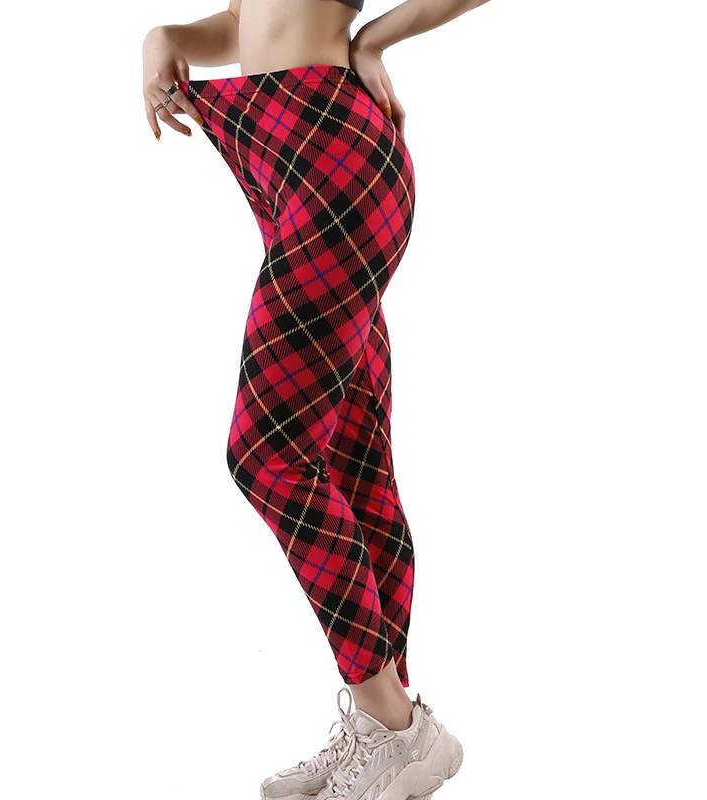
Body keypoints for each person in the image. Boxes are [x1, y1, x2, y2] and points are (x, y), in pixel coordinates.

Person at [141, 1, 489, 797]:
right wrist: (164, 39)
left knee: (267, 455)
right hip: (290, 162)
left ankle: (399, 725)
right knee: (352, 458)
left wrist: (372, 39)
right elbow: (249, 20)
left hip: (334, 159)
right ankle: (381, 726)